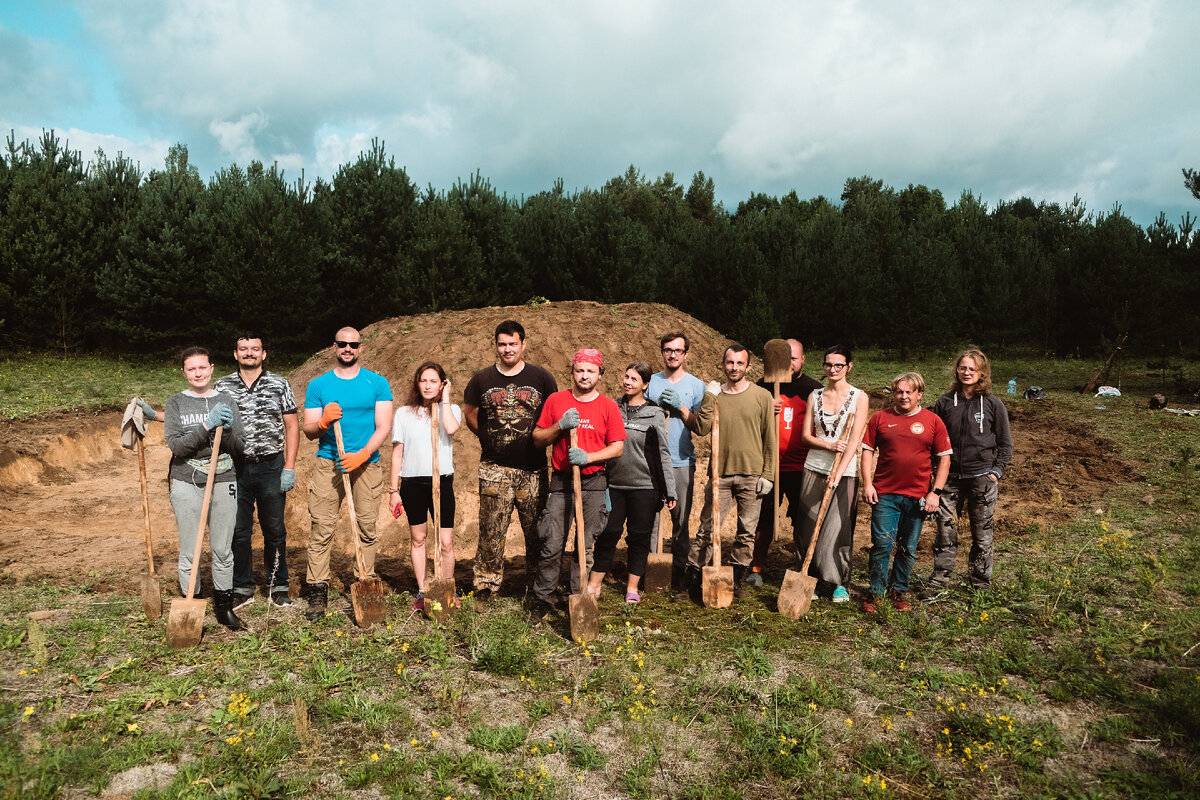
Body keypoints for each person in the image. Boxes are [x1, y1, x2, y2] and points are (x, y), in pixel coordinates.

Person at [528, 349, 626, 624]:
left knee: (584, 547)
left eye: (590, 371)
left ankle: (578, 598)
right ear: (572, 372)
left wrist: (589, 457)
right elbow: (537, 439)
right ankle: (542, 601)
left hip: (593, 482)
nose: (584, 375)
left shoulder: (608, 406)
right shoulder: (556, 400)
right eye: (579, 370)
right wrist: (560, 425)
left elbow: (617, 447)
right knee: (551, 544)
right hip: (561, 482)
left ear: (599, 374)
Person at [301, 327, 393, 621]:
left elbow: (383, 426)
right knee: (322, 527)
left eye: (353, 344)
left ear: (360, 348)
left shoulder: (377, 383)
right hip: (329, 462)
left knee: (367, 527)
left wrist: (363, 454)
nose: (348, 348)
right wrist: (324, 422)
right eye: (343, 344)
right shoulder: (318, 385)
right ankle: (317, 588)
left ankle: (365, 578)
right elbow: (308, 430)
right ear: (335, 346)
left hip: (366, 463)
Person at [462, 320, 558, 602]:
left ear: (523, 344)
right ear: (496, 346)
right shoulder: (482, 379)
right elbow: (470, 411)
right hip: (495, 468)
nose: (507, 349)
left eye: (513, 344)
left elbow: (552, 414)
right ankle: (486, 585)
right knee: (491, 530)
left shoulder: (542, 378)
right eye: (502, 344)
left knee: (537, 531)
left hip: (534, 470)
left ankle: (536, 585)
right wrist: (488, 436)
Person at [163, 346, 247, 630]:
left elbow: (239, 447)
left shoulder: (225, 400)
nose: (198, 373)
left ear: (211, 369)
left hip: (223, 478)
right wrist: (205, 425)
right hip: (187, 480)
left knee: (223, 548)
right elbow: (177, 445)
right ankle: (193, 600)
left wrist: (231, 428)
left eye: (203, 367)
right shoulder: (175, 403)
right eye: (191, 369)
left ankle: (224, 608)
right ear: (184, 373)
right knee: (191, 548)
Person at [213, 332, 299, 609]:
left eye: (255, 349)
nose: (249, 353)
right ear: (235, 354)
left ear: (264, 354)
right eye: (243, 349)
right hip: (233, 467)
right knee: (239, 530)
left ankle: (278, 585)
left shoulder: (279, 384)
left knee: (274, 529)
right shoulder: (221, 386)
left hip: (271, 466)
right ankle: (242, 586)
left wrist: (289, 467)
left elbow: (292, 426)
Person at [921, 349, 1012, 599]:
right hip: (949, 480)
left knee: (982, 535)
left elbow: (1005, 444)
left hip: (982, 478)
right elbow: (933, 442)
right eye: (963, 368)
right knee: (945, 533)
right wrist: (933, 471)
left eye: (972, 369)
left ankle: (979, 583)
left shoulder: (993, 404)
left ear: (982, 372)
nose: (967, 372)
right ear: (957, 370)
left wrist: (996, 472)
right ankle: (939, 582)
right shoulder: (945, 402)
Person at [689, 344, 777, 600]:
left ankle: (735, 581)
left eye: (740, 363)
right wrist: (709, 395)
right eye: (730, 363)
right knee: (707, 529)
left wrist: (768, 475)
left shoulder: (762, 397)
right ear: (723, 364)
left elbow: (769, 438)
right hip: (720, 474)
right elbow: (702, 428)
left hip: (752, 474)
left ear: (748, 367)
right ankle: (694, 580)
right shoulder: (715, 396)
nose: (734, 368)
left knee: (746, 531)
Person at [860, 372, 952, 613]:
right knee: (881, 545)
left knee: (907, 547)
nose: (903, 396)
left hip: (918, 497)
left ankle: (898, 592)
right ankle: (876, 593)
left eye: (908, 392)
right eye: (899, 391)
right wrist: (867, 483)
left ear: (919, 394)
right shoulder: (880, 418)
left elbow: (944, 459)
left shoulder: (933, 421)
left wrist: (936, 492)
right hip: (884, 495)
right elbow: (867, 451)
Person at [587, 362, 676, 604]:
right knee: (608, 533)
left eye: (634, 379)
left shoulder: (656, 414)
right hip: (613, 484)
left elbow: (663, 453)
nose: (628, 382)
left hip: (645, 487)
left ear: (645, 384)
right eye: (626, 376)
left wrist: (669, 489)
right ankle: (593, 585)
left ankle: (632, 588)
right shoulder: (611, 407)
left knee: (639, 537)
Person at [795, 345, 869, 602]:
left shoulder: (859, 397)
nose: (833, 369)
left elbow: (855, 440)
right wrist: (827, 445)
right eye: (829, 364)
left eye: (839, 365)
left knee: (838, 527)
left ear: (849, 366)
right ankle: (810, 578)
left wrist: (838, 472)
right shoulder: (814, 395)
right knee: (807, 525)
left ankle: (838, 582)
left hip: (845, 472)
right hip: (813, 467)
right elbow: (806, 436)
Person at [747, 338, 824, 586]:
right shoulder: (761, 388)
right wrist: (764, 408)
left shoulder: (814, 389)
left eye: (794, 358)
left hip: (802, 467)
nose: (789, 363)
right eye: (784, 358)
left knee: (804, 521)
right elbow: (747, 422)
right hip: (768, 466)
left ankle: (805, 569)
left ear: (803, 360)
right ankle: (756, 567)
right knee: (763, 519)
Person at [389, 362, 461, 611]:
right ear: (417, 384)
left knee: (445, 541)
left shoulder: (450, 410)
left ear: (442, 383)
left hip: (441, 482)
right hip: (412, 483)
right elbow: (397, 454)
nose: (428, 385)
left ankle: (447, 588)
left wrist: (446, 399)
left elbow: (451, 429)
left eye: (434, 381)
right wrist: (393, 490)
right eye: (424, 380)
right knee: (418, 538)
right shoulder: (404, 414)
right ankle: (422, 590)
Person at [645, 332, 706, 589]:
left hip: (681, 461)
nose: (672, 354)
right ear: (662, 353)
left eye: (678, 350)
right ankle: (649, 568)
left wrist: (681, 408)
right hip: (651, 461)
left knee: (680, 520)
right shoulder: (650, 383)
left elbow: (700, 426)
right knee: (650, 519)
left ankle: (680, 570)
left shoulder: (696, 385)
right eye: (668, 350)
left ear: (686, 354)